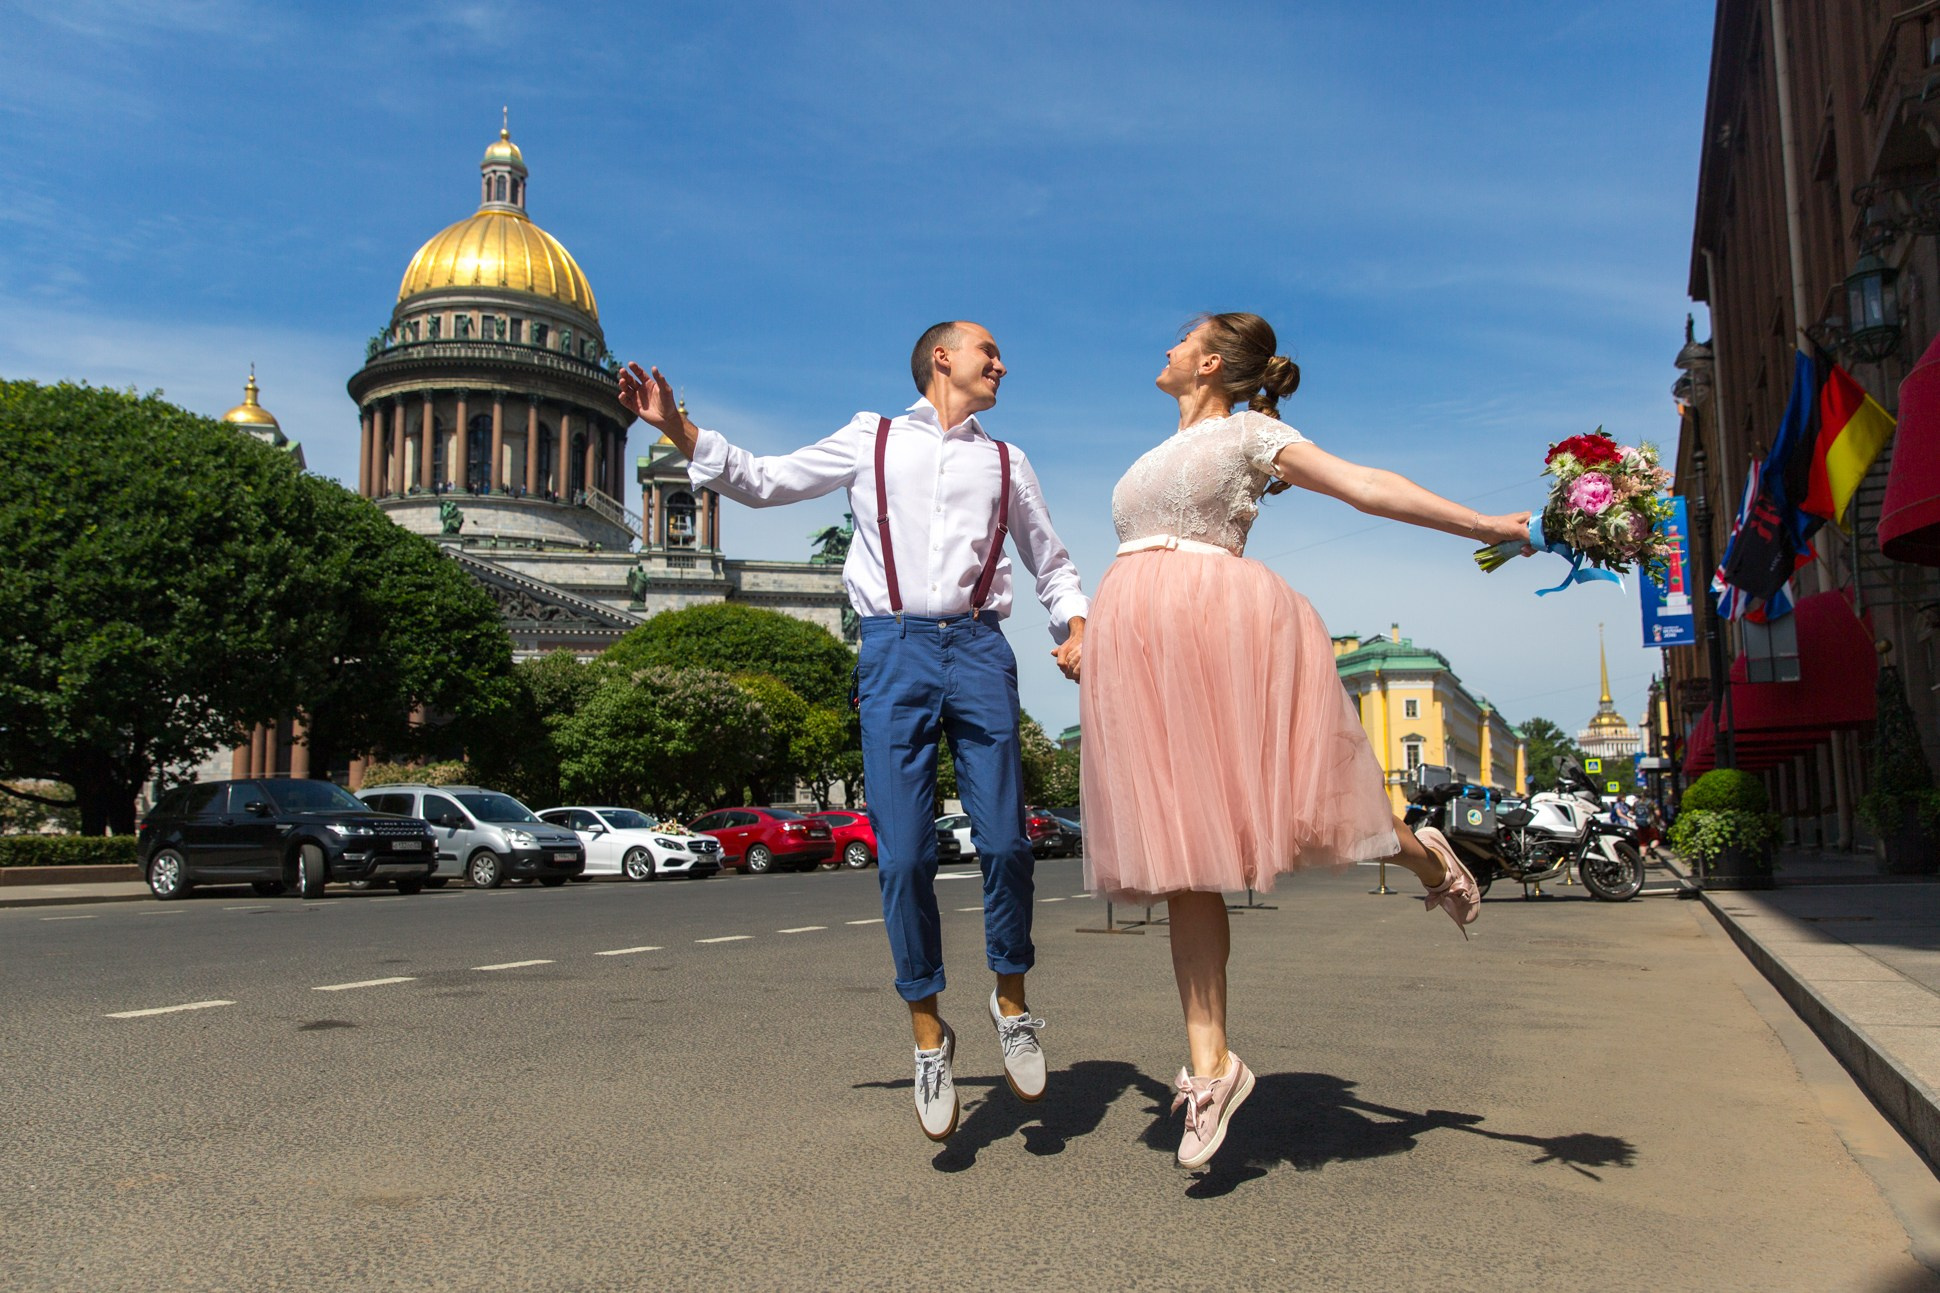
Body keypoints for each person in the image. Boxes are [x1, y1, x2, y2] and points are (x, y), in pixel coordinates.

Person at [1077, 312, 1529, 1170]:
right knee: (1184, 858)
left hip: (1222, 631)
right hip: (1144, 648)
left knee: (1321, 809)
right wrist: (1089, 636)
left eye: (1182, 338)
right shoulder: (1146, 458)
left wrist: (1484, 525)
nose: (1165, 347)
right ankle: (1212, 1067)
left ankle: (1426, 855)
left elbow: (1364, 484)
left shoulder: (1251, 432)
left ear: (1209, 360)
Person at [616, 323, 1088, 1143]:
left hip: (979, 647)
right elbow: (764, 481)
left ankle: (1011, 1002)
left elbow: (1051, 559)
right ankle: (928, 1034)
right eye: (990, 351)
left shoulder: (1006, 462)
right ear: (943, 358)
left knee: (1008, 843)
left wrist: (1075, 622)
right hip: (894, 649)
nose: (1003, 363)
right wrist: (677, 429)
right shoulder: (868, 439)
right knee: (903, 853)